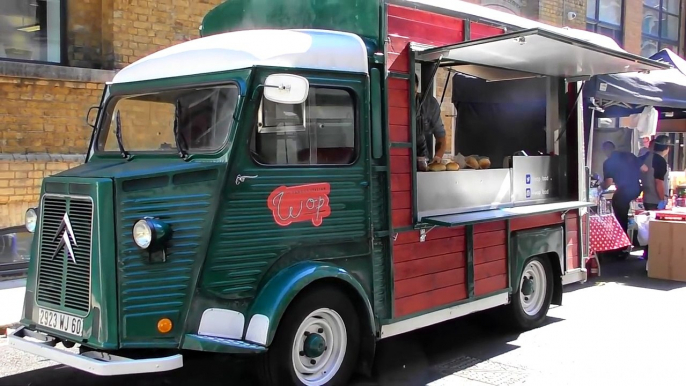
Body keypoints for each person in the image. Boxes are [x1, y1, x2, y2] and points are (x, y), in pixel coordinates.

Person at [601, 141, 645, 234]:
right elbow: (645, 168)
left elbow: (608, 183)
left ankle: (622, 240)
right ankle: (626, 236)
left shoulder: (608, 162)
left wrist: (601, 186)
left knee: (620, 214)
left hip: (624, 191)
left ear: (605, 151)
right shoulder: (629, 155)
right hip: (636, 189)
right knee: (623, 209)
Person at [415, 74, 446, 166]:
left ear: (417, 88)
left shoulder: (429, 104)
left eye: (413, 92)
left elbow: (440, 135)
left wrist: (438, 157)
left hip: (421, 160)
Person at [639, 135, 671, 211]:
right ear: (667, 148)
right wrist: (662, 200)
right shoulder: (660, 161)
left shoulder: (646, 158)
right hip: (656, 201)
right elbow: (658, 182)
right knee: (656, 221)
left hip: (647, 198)